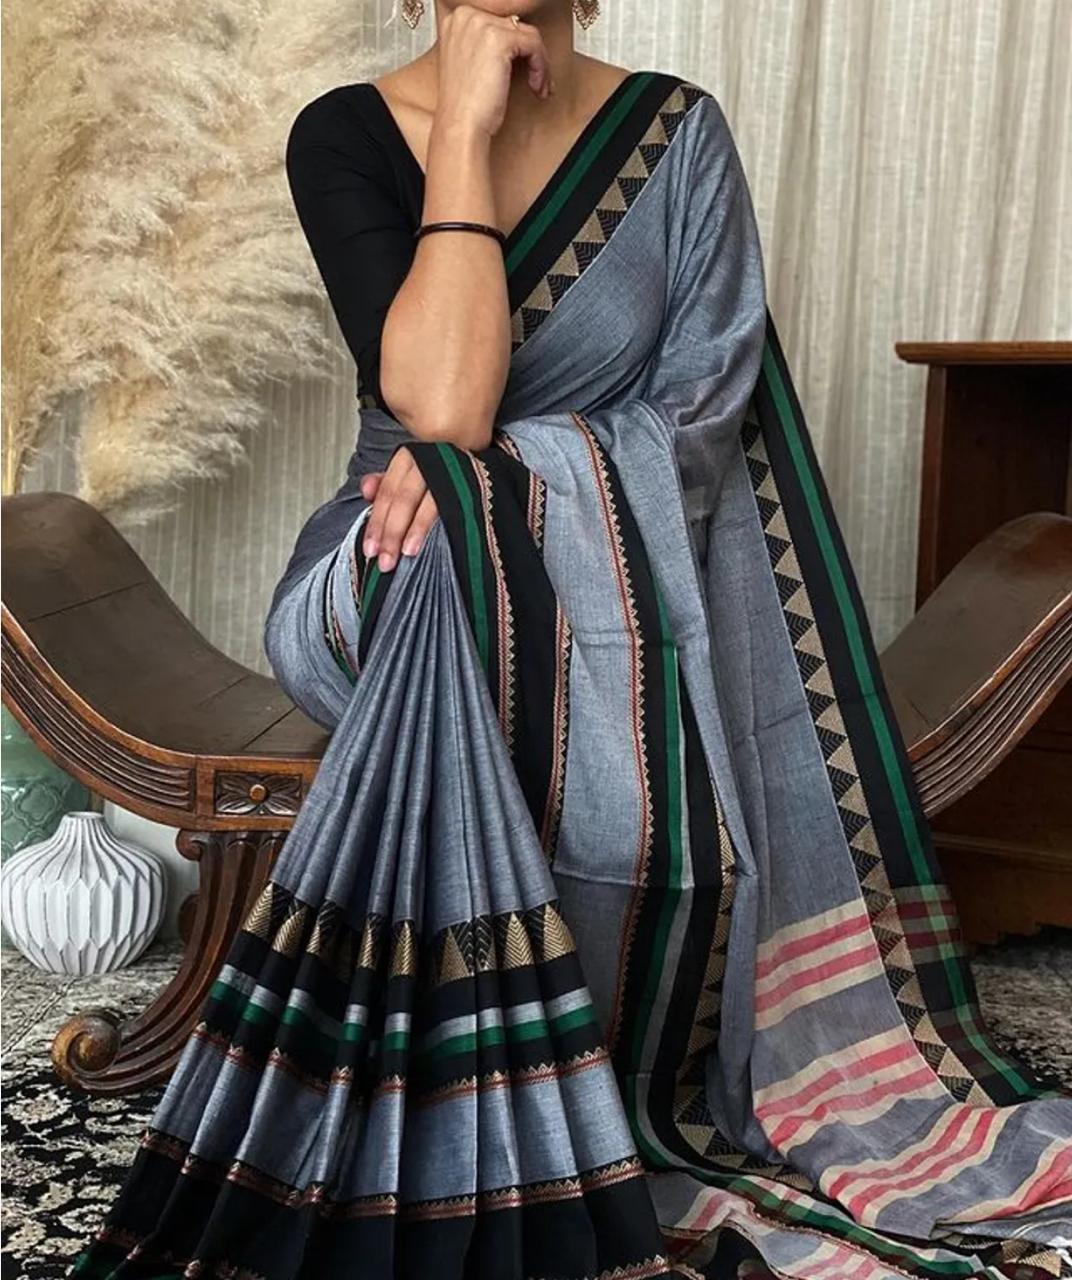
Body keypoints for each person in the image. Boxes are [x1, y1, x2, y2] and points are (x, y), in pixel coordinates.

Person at [71, 3, 1072, 1278]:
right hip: (382, 564)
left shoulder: (674, 134)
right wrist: (466, 135)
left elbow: (703, 409)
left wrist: (499, 487)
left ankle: (515, 1082)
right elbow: (439, 402)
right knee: (440, 559)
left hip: (614, 567)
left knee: (466, 543)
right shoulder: (348, 133)